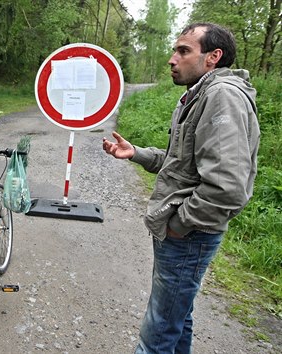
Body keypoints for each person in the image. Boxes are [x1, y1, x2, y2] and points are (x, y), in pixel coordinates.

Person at [102, 23, 260, 354]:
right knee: (178, 316)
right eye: (175, 50)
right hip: (186, 233)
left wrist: (179, 224)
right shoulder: (198, 95)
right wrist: (137, 154)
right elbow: (183, 163)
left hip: (189, 235)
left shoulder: (222, 97)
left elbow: (228, 186)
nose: (173, 59)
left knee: (157, 332)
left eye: (184, 51)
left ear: (213, 57)